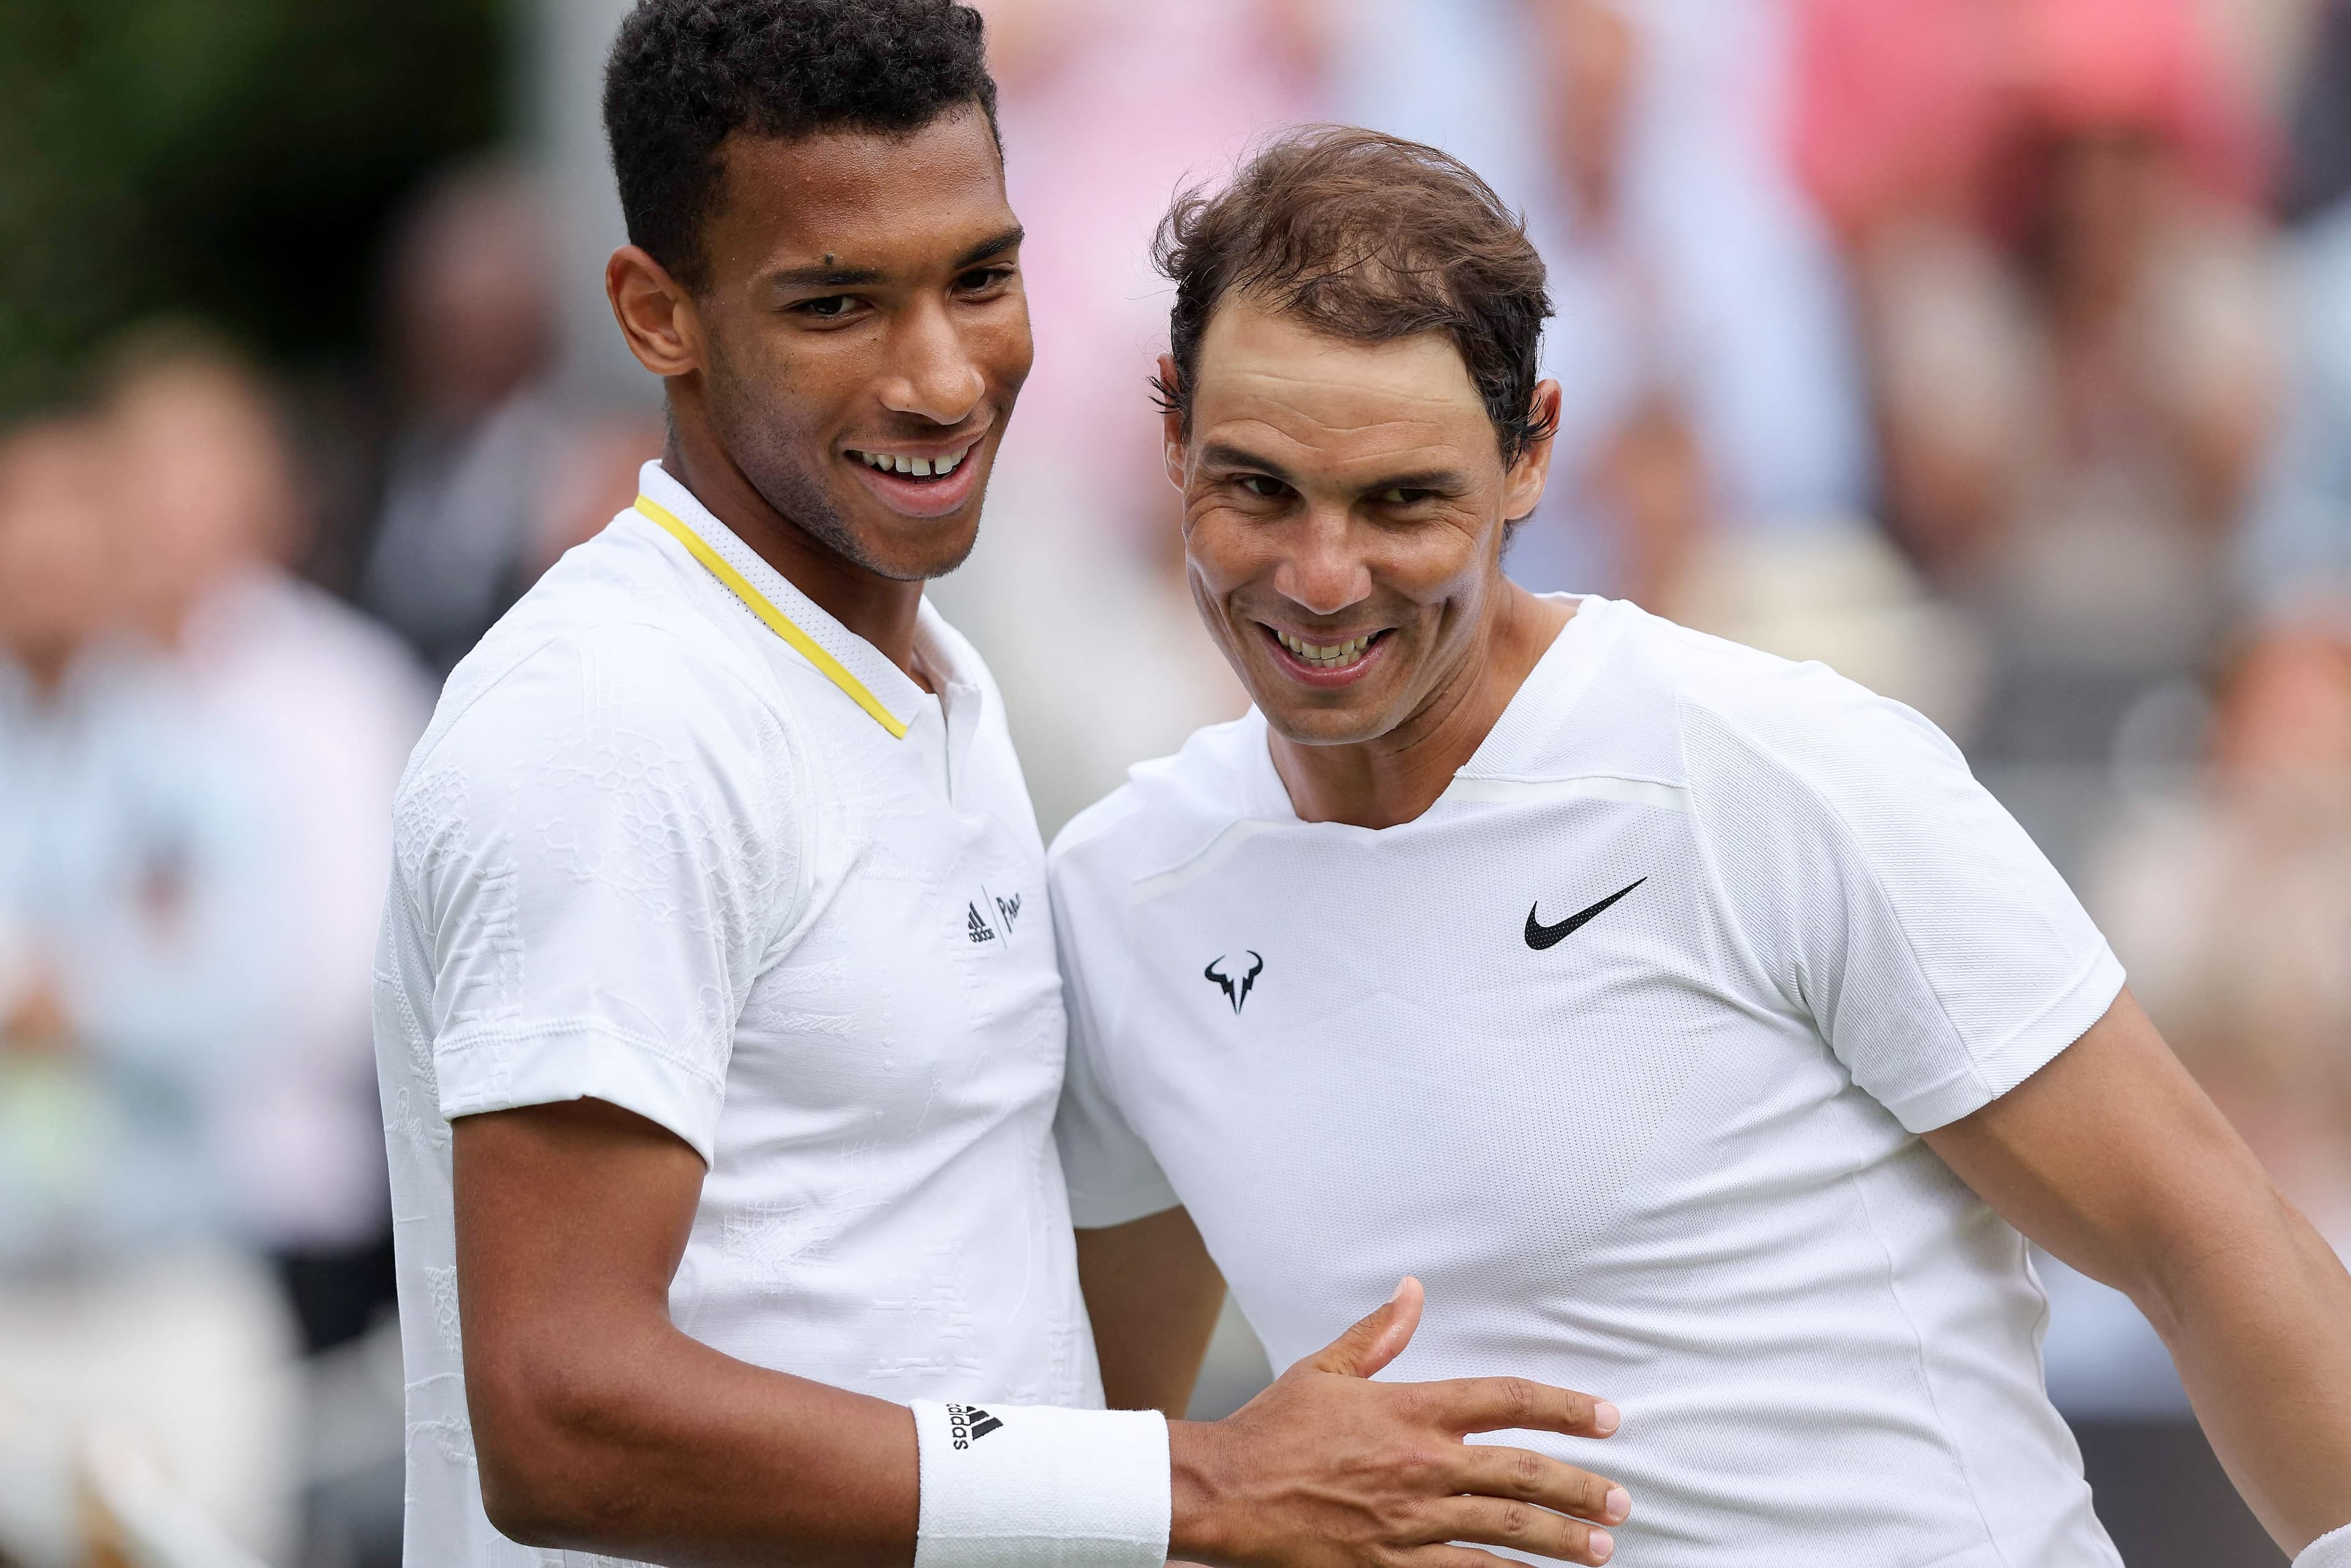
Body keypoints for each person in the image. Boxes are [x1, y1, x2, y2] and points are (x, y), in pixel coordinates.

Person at [378, 5, 1631, 1566]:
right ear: (656, 315)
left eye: (980, 277)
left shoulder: (919, 674)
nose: (943, 377)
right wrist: (1202, 1491)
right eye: (835, 304)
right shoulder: (611, 722)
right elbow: (558, 1407)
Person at [1047, 126, 2351, 1567]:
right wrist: (1223, 1493)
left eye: (1403, 501)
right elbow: (1115, 1454)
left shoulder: (1778, 771)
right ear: (1169, 434)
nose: (1322, 575)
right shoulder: (1119, 901)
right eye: (1259, 489)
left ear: (1533, 450)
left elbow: (2208, 1241)